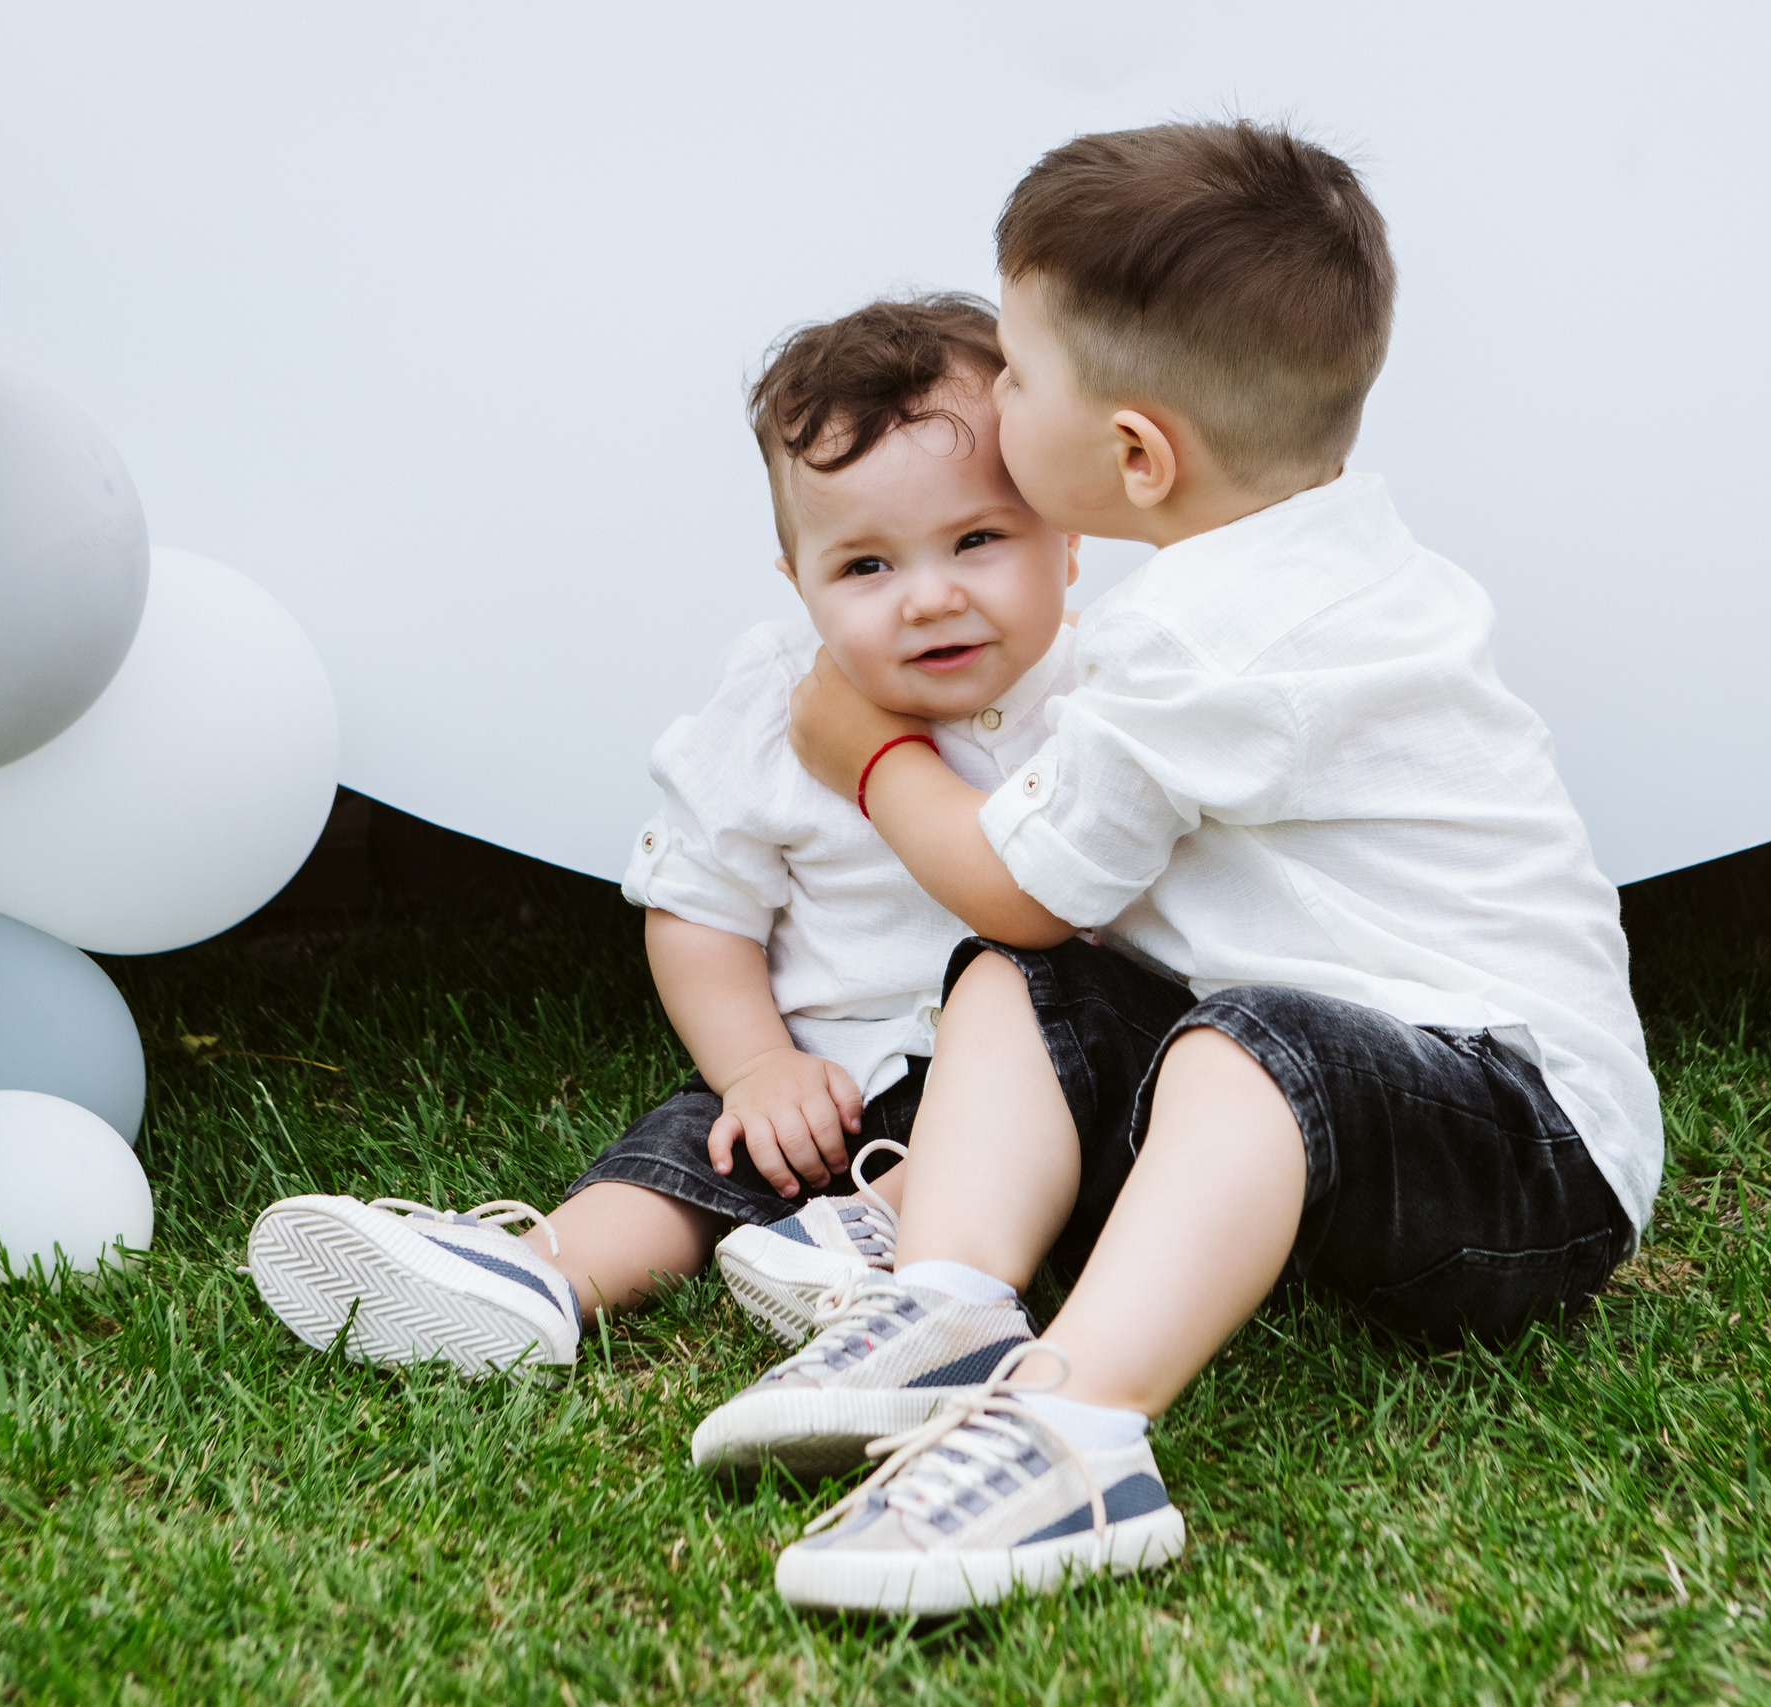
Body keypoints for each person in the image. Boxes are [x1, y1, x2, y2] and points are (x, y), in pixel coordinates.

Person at [689, 120, 1664, 1615]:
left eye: (1015, 370)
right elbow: (1037, 936)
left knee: (1230, 1033)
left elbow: (1014, 876)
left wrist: (867, 758)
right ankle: (943, 1297)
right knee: (1032, 981)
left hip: (1527, 1152)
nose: (995, 395)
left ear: (1134, 451)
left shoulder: (1208, 643)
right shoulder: (1303, 560)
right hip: (1371, 1101)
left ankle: (1075, 1427)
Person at [244, 294, 1084, 1379]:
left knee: (1061, 1120)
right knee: (693, 1150)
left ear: (1067, 541)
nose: (928, 598)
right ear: (802, 585)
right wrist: (756, 1066)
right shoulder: (772, 704)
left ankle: (878, 1263)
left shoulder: (1103, 699)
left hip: (1028, 1082)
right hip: (825, 1077)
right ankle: (540, 1274)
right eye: (865, 567)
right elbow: (700, 907)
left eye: (977, 540)